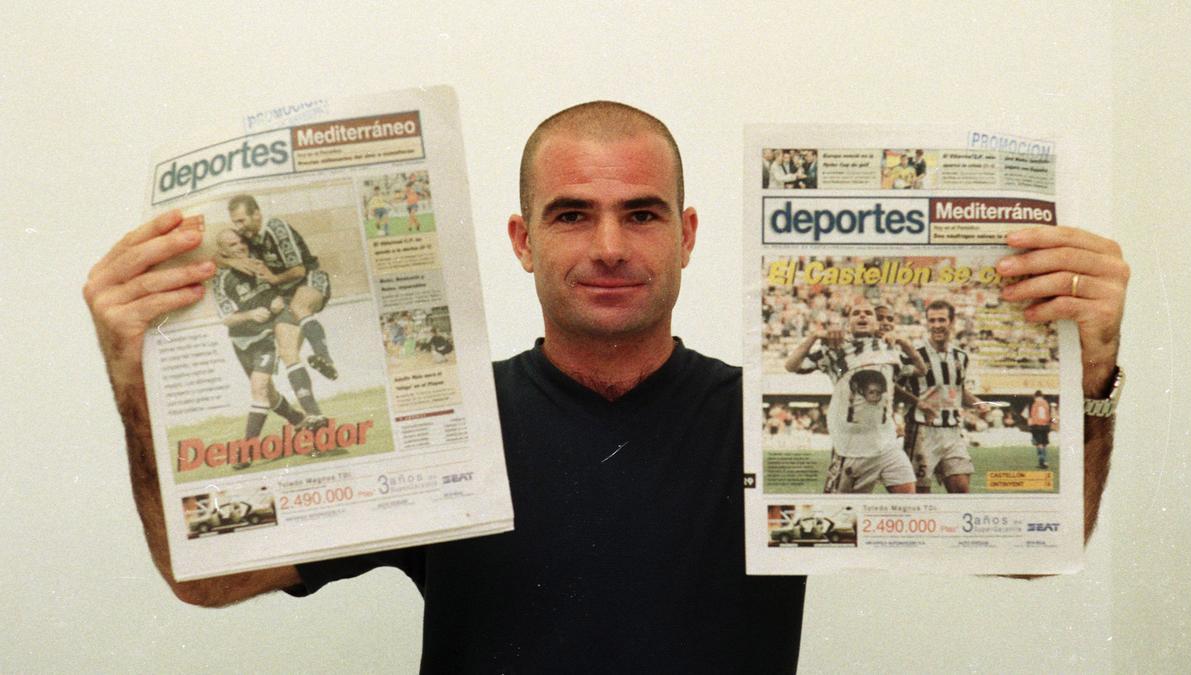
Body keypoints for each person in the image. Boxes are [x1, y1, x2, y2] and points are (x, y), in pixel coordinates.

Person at [83, 100, 1128, 672]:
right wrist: (138, 383)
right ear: (523, 242)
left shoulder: (764, 426)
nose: (611, 245)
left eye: (641, 211)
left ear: (687, 235)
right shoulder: (445, 425)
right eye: (574, 214)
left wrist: (1091, 370)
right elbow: (207, 579)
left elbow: (1038, 553)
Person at [785, 302, 927, 494]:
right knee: (840, 511)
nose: (862, 316)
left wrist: (905, 344)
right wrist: (814, 336)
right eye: (856, 313)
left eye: (868, 313)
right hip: (851, 448)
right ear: (848, 323)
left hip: (887, 444)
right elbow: (792, 365)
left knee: (908, 498)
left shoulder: (889, 348)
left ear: (876, 324)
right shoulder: (835, 349)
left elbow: (921, 370)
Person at [212, 229, 311, 469]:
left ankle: (245, 451)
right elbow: (226, 317)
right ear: (224, 251)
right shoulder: (222, 279)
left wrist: (280, 302)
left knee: (259, 390)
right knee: (268, 393)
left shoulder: (262, 262)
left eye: (241, 241)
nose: (239, 246)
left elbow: (290, 282)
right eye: (232, 244)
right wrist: (249, 314)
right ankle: (297, 418)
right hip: (241, 340)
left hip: (267, 336)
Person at [225, 194, 339, 382]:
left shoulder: (275, 227)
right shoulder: (246, 237)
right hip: (286, 293)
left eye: (241, 221)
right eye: (235, 223)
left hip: (309, 279)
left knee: (299, 307)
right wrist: (231, 261)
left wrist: (274, 278)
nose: (239, 227)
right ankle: (312, 412)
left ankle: (325, 357)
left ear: (256, 214)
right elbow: (218, 255)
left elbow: (299, 270)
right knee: (287, 352)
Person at [904, 300, 992, 493]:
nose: (936, 325)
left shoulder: (961, 357)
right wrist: (917, 403)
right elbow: (897, 390)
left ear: (951, 322)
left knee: (961, 489)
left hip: (952, 433)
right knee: (920, 497)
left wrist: (979, 403)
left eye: (942, 320)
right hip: (922, 433)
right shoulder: (914, 355)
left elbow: (958, 391)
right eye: (932, 320)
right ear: (927, 323)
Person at [1029, 389, 1053, 468]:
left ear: (1035, 396)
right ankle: (1045, 461)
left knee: (1038, 444)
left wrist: (1031, 425)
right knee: (1044, 444)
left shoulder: (1035, 404)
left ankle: (1041, 462)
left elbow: (1033, 415)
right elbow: (1049, 415)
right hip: (1045, 425)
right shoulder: (1046, 403)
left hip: (1037, 425)